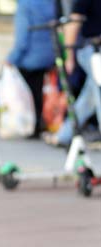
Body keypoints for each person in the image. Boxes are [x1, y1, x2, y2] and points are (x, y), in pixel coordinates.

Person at [43, 0, 101, 147]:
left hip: (94, 50)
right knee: (97, 93)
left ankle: (64, 135)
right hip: (93, 51)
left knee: (90, 98)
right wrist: (69, 56)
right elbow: (74, 22)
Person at [6, 0, 57, 138]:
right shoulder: (50, 3)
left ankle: (30, 126)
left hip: (29, 57)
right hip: (47, 55)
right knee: (38, 91)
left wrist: (12, 58)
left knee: (27, 94)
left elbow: (22, 37)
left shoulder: (25, 6)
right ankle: (38, 125)